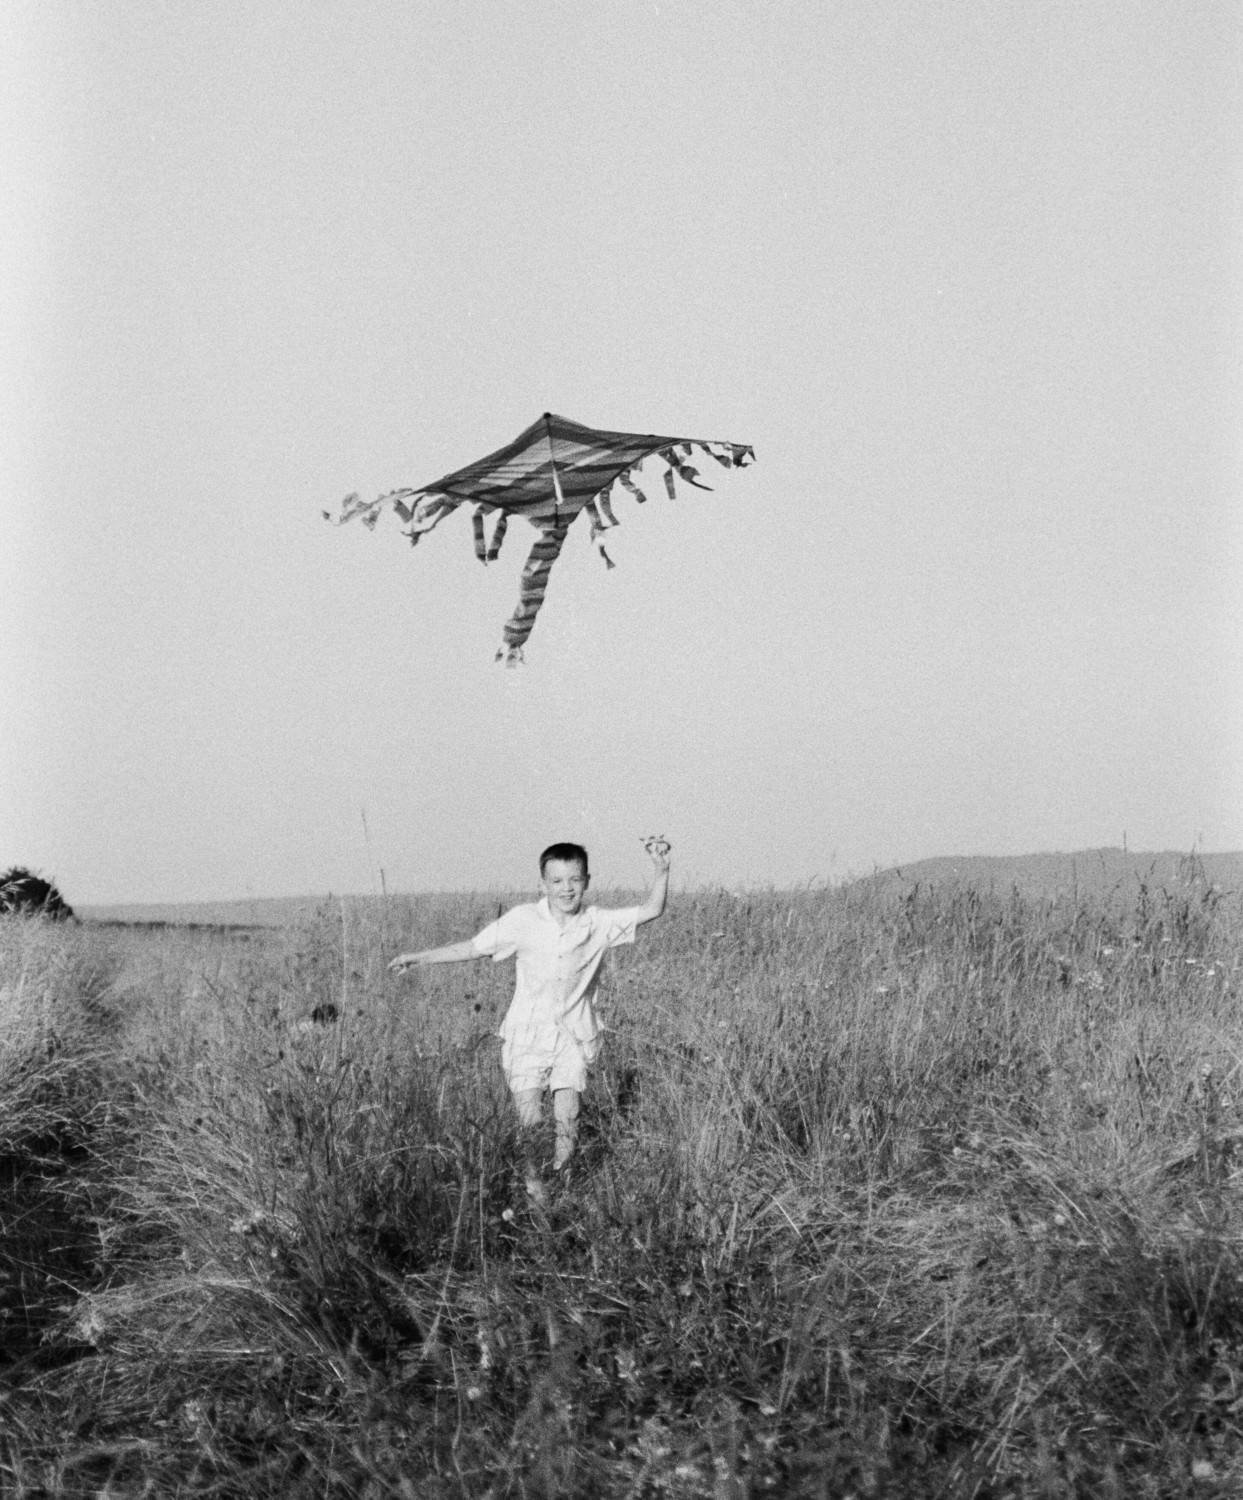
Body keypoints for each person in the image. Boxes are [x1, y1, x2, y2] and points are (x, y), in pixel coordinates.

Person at [389, 837, 672, 1197]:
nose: (566, 889)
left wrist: (661, 869)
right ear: (543, 884)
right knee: (531, 1121)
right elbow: (473, 948)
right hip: (526, 1036)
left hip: (574, 1035)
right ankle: (535, 1189)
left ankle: (563, 1188)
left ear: (587, 881)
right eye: (557, 881)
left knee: (568, 1115)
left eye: (575, 879)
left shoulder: (598, 922)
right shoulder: (523, 920)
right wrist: (418, 958)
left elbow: (652, 909)